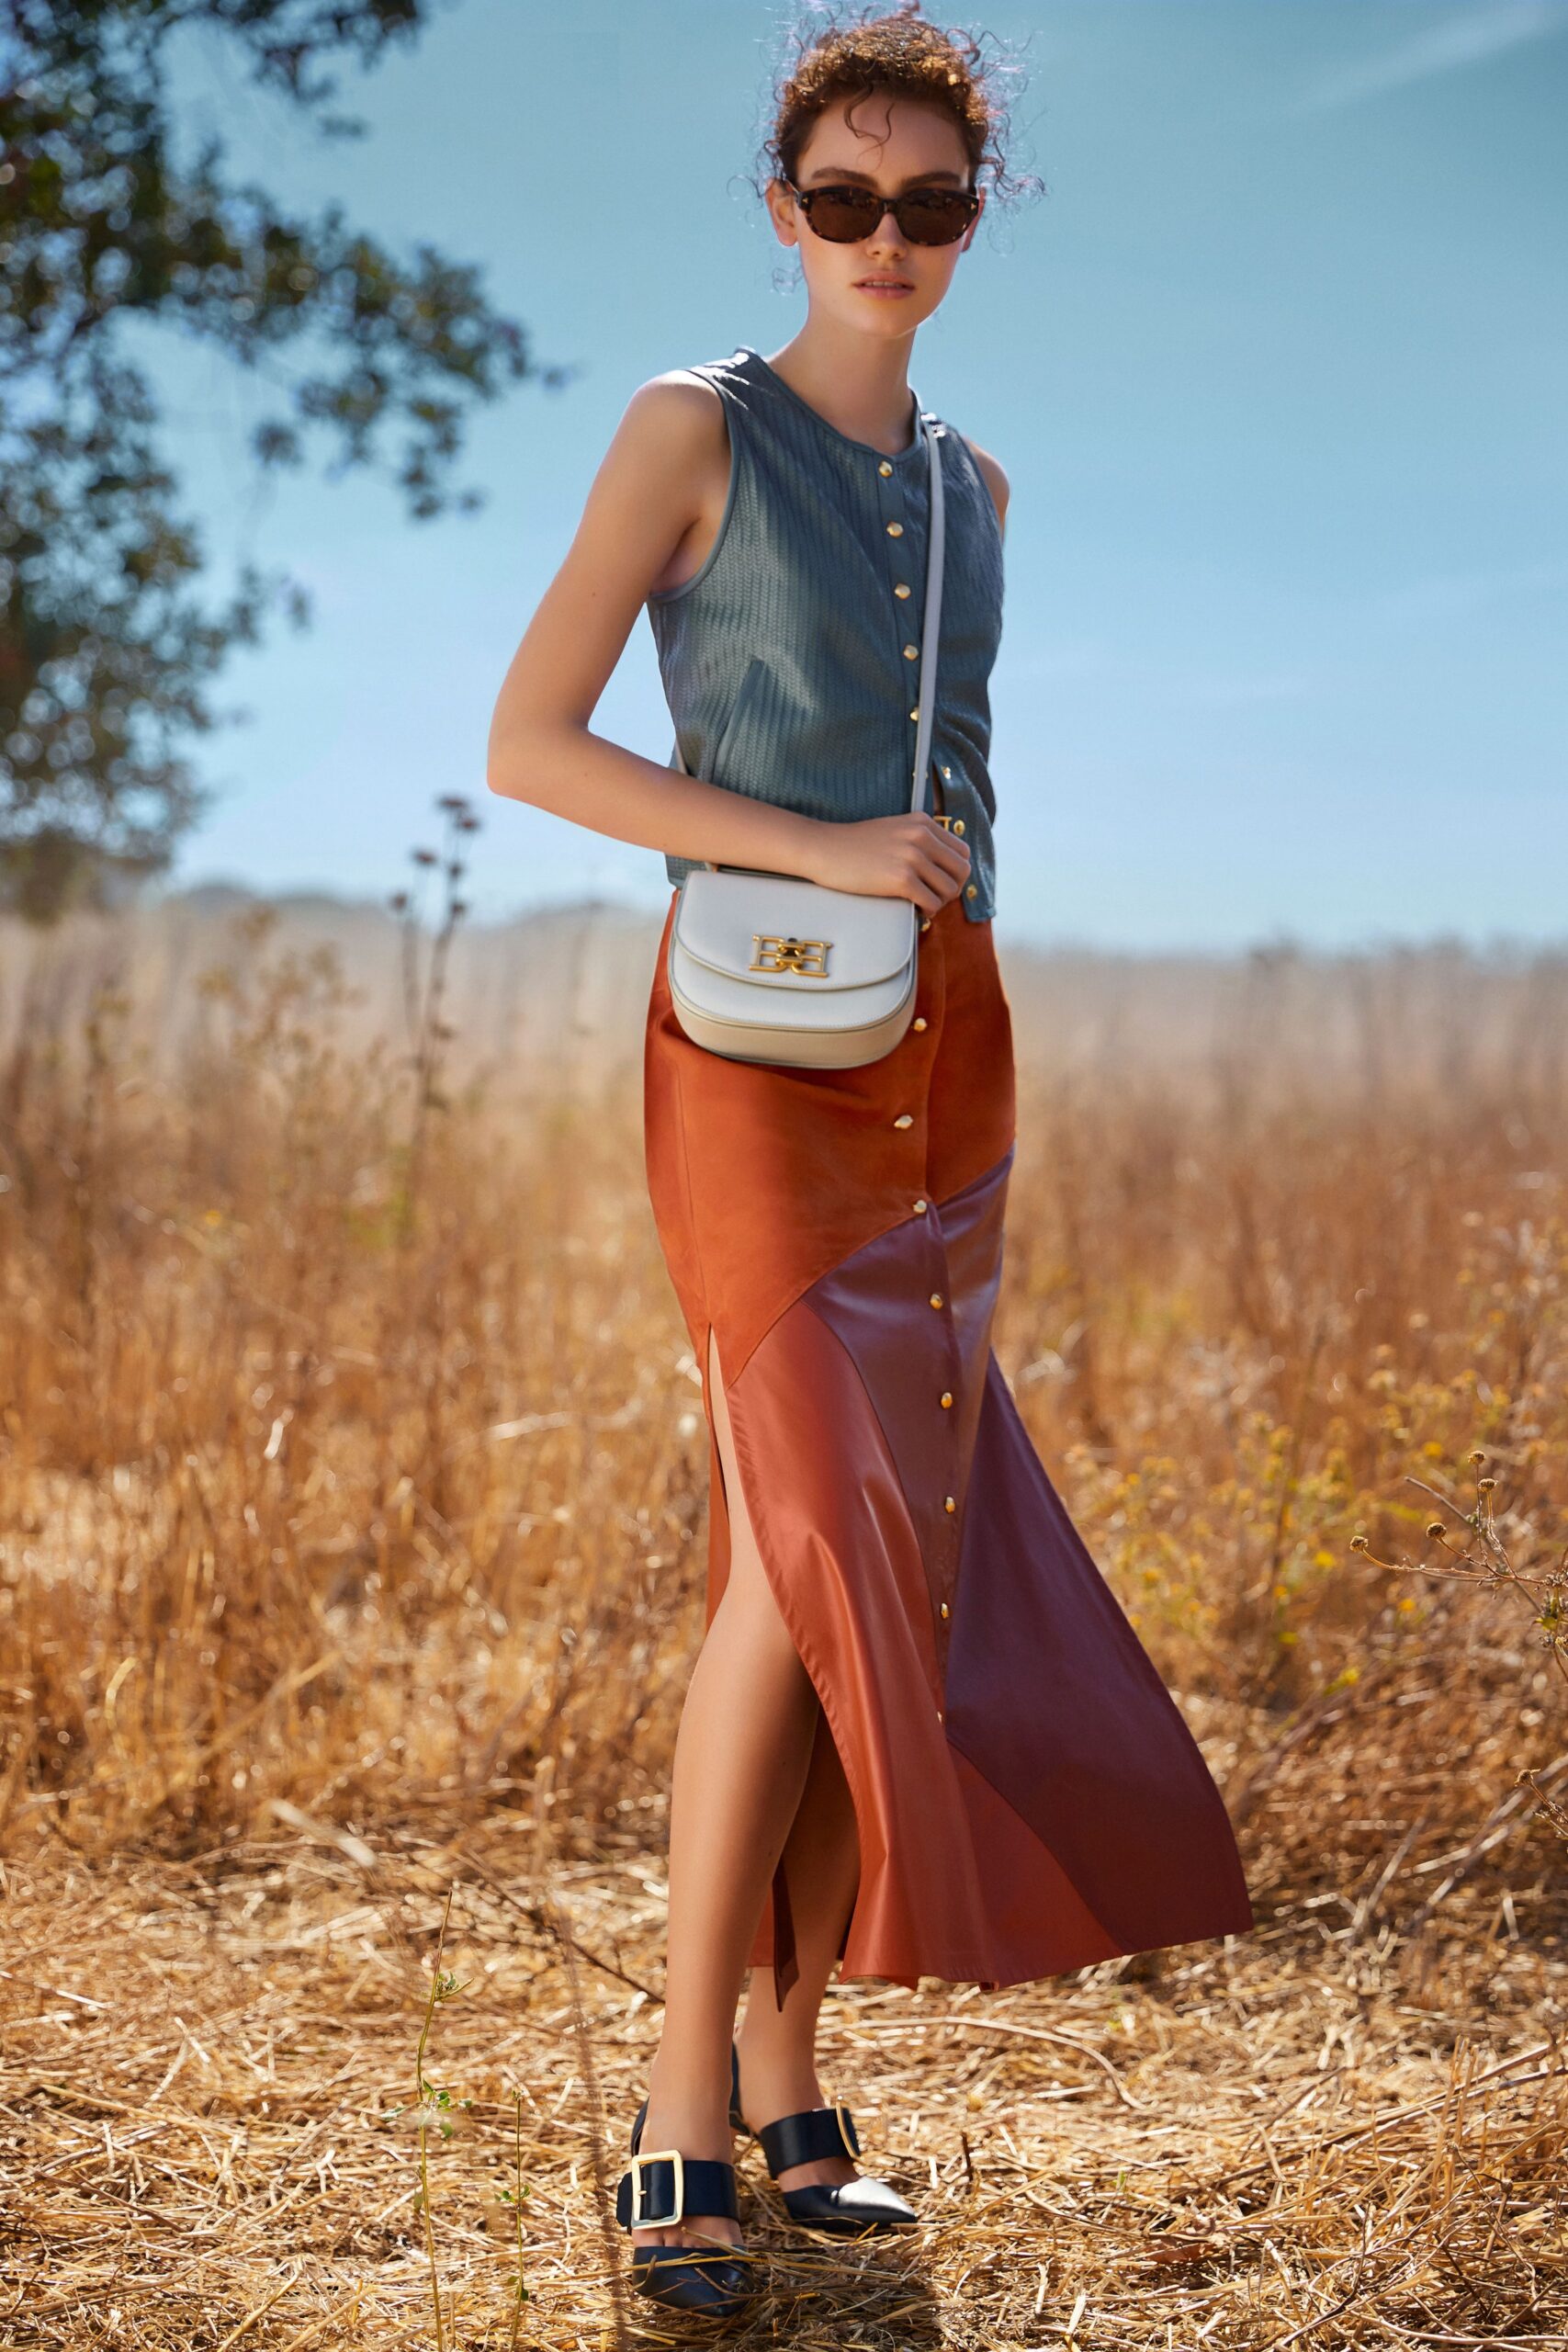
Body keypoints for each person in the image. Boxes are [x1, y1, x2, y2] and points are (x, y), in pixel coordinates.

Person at [487, 4, 1252, 2320]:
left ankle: (792, 2074)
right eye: (843, 197)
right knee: (796, 1548)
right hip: (748, 1052)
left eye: (928, 202)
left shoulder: (977, 486)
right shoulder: (689, 426)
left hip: (944, 1051)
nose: (884, 235)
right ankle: (676, 2101)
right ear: (781, 209)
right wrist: (812, 840)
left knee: (856, 1576)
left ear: (969, 220)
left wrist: (918, 903)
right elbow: (530, 743)